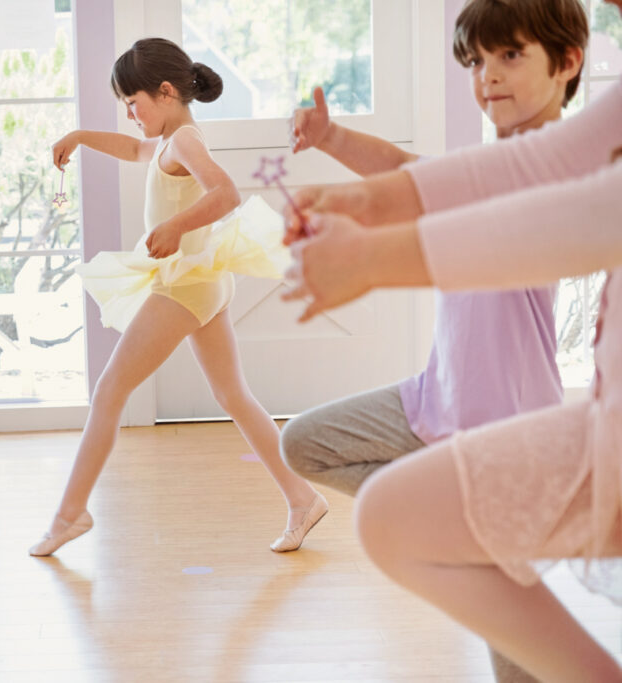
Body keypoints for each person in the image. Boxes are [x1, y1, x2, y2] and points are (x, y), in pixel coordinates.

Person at [282, 17, 622, 681]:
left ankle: (467, 531)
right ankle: (460, 525)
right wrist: (337, 151)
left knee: (516, 653)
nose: (488, 76)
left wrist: (370, 255)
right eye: (475, 62)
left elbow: (526, 214)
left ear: (568, 63)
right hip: (434, 398)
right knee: (305, 443)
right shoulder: (510, 159)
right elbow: (415, 176)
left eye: (510, 55)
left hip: (507, 412)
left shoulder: (560, 169)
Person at [29, 38, 326, 557]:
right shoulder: (170, 139)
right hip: (202, 282)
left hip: (185, 288)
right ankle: (302, 498)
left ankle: (69, 515)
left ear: (165, 92)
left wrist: (175, 225)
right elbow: (131, 150)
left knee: (109, 390)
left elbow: (226, 193)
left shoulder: (184, 140)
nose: (129, 114)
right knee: (233, 395)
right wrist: (78, 137)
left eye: (133, 102)